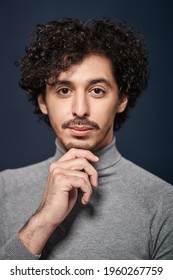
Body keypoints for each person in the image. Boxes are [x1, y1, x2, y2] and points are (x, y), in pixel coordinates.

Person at [0, 18, 173, 260]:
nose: (80, 110)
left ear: (122, 99)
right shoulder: (4, 190)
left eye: (97, 91)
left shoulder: (165, 204)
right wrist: (41, 222)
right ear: (43, 102)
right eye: (64, 90)